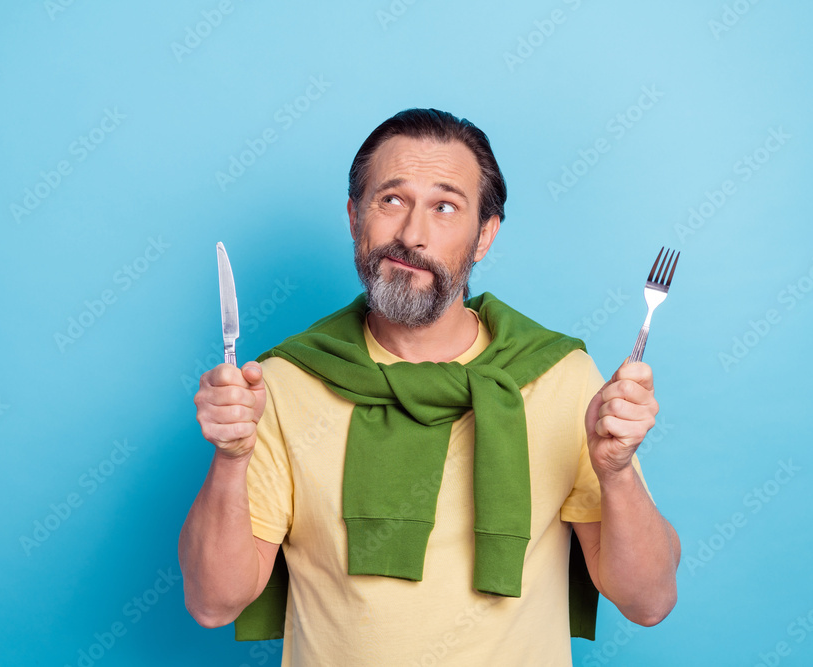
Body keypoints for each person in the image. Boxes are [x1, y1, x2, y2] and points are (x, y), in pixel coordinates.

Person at [179, 108, 680, 665]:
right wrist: (230, 458)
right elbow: (213, 603)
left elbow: (649, 601)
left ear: (484, 235)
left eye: (445, 207)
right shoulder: (281, 385)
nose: (412, 235)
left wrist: (614, 475)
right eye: (391, 200)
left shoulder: (558, 377)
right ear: (354, 216)